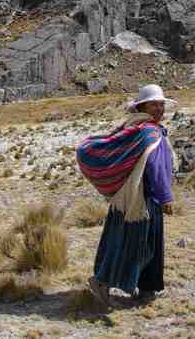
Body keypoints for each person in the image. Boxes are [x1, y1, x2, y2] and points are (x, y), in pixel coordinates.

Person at [75, 84, 176, 307]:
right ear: (142, 107)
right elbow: (155, 167)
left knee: (138, 243)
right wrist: (165, 196)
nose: (159, 109)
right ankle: (101, 282)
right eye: (154, 104)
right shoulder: (149, 132)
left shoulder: (136, 128)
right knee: (136, 246)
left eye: (161, 104)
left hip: (129, 198)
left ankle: (148, 289)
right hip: (141, 199)